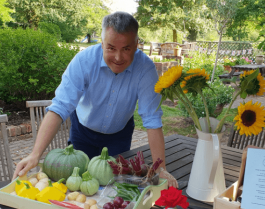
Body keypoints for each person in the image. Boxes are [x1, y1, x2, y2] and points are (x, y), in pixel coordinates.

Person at [13, 12, 178, 188]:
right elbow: (60, 107)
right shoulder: (83, 61)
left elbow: (152, 119)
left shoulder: (145, 69)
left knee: (114, 186)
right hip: (83, 131)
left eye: (126, 49)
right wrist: (35, 154)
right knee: (77, 184)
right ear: (102, 43)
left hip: (119, 134)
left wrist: (160, 169)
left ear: (137, 45)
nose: (118, 57)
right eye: (111, 48)